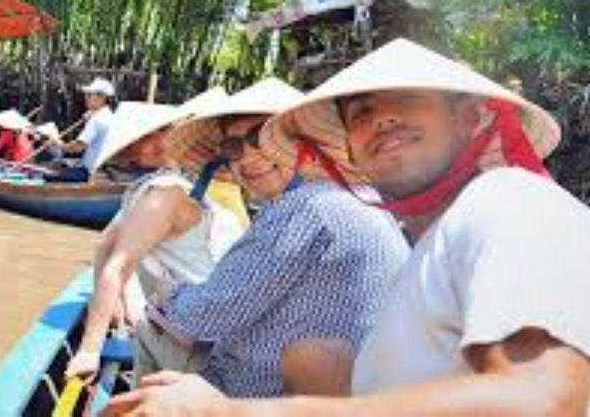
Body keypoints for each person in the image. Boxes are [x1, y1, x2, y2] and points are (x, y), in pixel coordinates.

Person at [107, 38, 590, 415]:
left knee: (156, 355)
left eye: (405, 98)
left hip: (241, 388)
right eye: (360, 113)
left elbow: (542, 402)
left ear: (469, 118)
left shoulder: (508, 199)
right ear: (347, 151)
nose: (382, 118)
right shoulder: (425, 247)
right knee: (314, 355)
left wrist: (233, 411)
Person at [122, 77, 409, 398]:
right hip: (336, 388)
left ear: (303, 141)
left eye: (261, 136)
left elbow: (201, 317)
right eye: (233, 147)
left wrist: (165, 294)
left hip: (262, 395)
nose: (246, 157)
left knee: (149, 328)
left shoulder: (305, 207)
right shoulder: (362, 196)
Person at [64, 96, 248, 380]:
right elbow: (114, 262)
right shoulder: (163, 192)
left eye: (164, 132)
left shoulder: (161, 187)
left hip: (202, 332)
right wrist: (90, 349)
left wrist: (118, 302)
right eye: (145, 138)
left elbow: (106, 247)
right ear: (133, 150)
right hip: (203, 346)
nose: (157, 143)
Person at [56, 78, 116, 182]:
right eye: (86, 95)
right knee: (59, 166)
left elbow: (77, 148)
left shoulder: (97, 120)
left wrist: (57, 143)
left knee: (48, 175)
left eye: (89, 95)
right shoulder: (109, 116)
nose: (86, 98)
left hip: (90, 172)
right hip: (99, 169)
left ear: (102, 98)